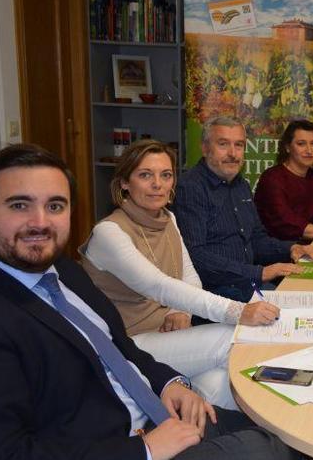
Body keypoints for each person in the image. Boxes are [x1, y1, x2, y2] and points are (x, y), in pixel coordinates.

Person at [0, 144, 297, 460]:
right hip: (122, 444)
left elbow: (120, 347)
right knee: (275, 447)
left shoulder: (62, 270)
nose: (40, 222)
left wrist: (169, 384)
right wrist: (143, 449)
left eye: (55, 206)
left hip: (152, 416)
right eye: (20, 205)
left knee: (285, 433)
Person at [81, 139, 281, 410]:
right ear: (124, 183)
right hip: (128, 345)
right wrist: (238, 311)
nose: (158, 184)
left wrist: (182, 312)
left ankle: (281, 432)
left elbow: (189, 275)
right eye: (145, 175)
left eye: (166, 175)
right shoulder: (109, 233)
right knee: (231, 337)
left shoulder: (168, 218)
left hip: (164, 335)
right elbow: (158, 285)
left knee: (221, 384)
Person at [173, 116, 313, 303]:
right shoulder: (191, 187)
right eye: (223, 144)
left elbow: (256, 239)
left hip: (248, 284)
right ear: (205, 148)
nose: (233, 153)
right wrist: (260, 272)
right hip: (215, 293)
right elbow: (195, 256)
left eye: (239, 145)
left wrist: (292, 248)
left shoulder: (241, 185)